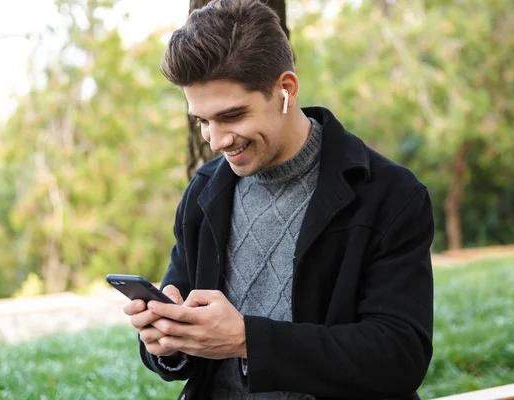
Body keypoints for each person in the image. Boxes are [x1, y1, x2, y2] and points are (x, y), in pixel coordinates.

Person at [122, 0, 434, 399]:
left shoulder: (390, 195)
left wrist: (247, 340)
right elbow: (180, 334)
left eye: (232, 116)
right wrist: (165, 341)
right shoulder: (203, 193)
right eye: (202, 121)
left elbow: (399, 357)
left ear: (285, 89)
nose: (216, 141)